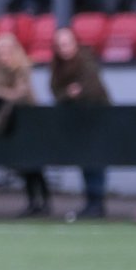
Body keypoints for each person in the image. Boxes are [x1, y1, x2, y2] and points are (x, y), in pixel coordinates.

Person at [0, 32, 47, 216]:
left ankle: (44, 201)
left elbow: (23, 93)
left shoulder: (21, 67)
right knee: (22, 165)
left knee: (35, 165)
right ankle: (32, 201)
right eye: (1, 51)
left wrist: (2, 92)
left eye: (8, 51)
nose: (5, 55)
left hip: (28, 120)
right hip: (7, 123)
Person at [50, 26, 112, 220]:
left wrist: (73, 94)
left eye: (67, 43)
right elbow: (57, 92)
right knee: (85, 163)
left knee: (96, 162)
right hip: (77, 122)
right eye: (60, 45)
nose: (64, 48)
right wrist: (69, 94)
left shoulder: (86, 60)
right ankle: (91, 202)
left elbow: (92, 90)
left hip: (97, 119)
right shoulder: (57, 67)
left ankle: (97, 202)